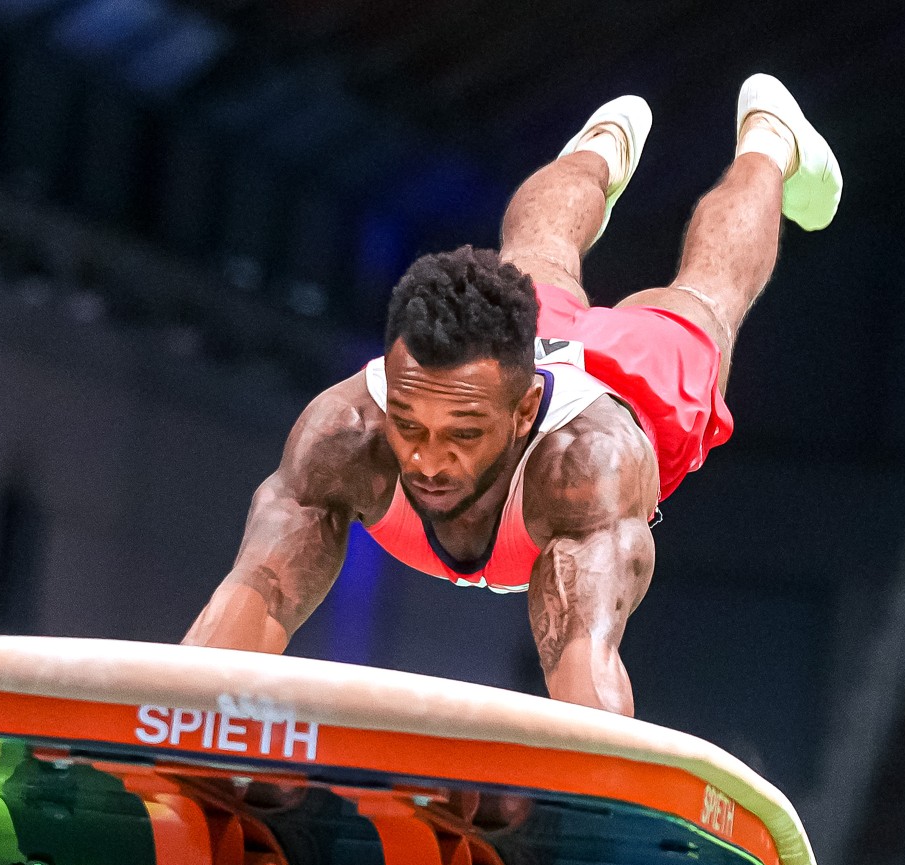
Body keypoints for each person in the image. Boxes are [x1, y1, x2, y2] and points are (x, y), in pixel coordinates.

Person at [184, 75, 841, 717]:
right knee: (534, 253)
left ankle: (770, 142)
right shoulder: (348, 435)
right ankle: (601, 147)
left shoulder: (586, 469)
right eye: (410, 425)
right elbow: (219, 652)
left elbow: (588, 693)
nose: (427, 462)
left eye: (462, 435)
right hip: (505, 360)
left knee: (707, 293)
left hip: (634, 380)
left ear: (525, 411)